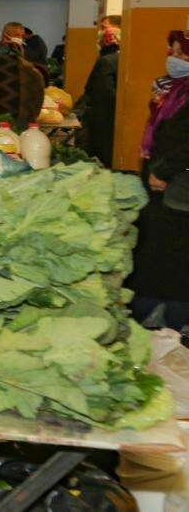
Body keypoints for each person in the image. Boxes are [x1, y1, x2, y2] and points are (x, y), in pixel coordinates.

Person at [127, 30, 189, 329]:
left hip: (179, 187)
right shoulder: (174, 90)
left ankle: (170, 316)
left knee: (172, 251)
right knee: (158, 245)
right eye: (172, 52)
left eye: (182, 53)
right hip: (165, 180)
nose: (174, 59)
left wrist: (163, 171)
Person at [77, 25, 122, 167]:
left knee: (102, 155)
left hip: (103, 116)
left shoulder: (105, 61)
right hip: (116, 116)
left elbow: (102, 91)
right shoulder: (124, 60)